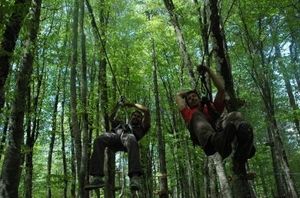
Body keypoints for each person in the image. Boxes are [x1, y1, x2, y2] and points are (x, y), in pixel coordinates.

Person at [175, 65, 255, 163]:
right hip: (209, 141)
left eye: (194, 96)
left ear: (199, 98)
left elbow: (221, 89)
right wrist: (188, 92)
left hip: (220, 131)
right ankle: (215, 141)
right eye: (189, 99)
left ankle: (244, 143)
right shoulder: (188, 113)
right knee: (196, 115)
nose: (192, 99)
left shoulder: (210, 106)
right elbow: (178, 96)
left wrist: (208, 70)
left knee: (236, 115)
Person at [85, 99, 151, 191]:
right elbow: (111, 117)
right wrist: (118, 105)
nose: (136, 117)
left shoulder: (142, 127)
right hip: (115, 137)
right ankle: (97, 177)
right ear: (131, 117)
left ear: (141, 120)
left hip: (128, 141)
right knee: (99, 140)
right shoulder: (122, 124)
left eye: (138, 116)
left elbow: (146, 111)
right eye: (134, 115)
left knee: (131, 138)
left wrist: (130, 104)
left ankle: (134, 178)